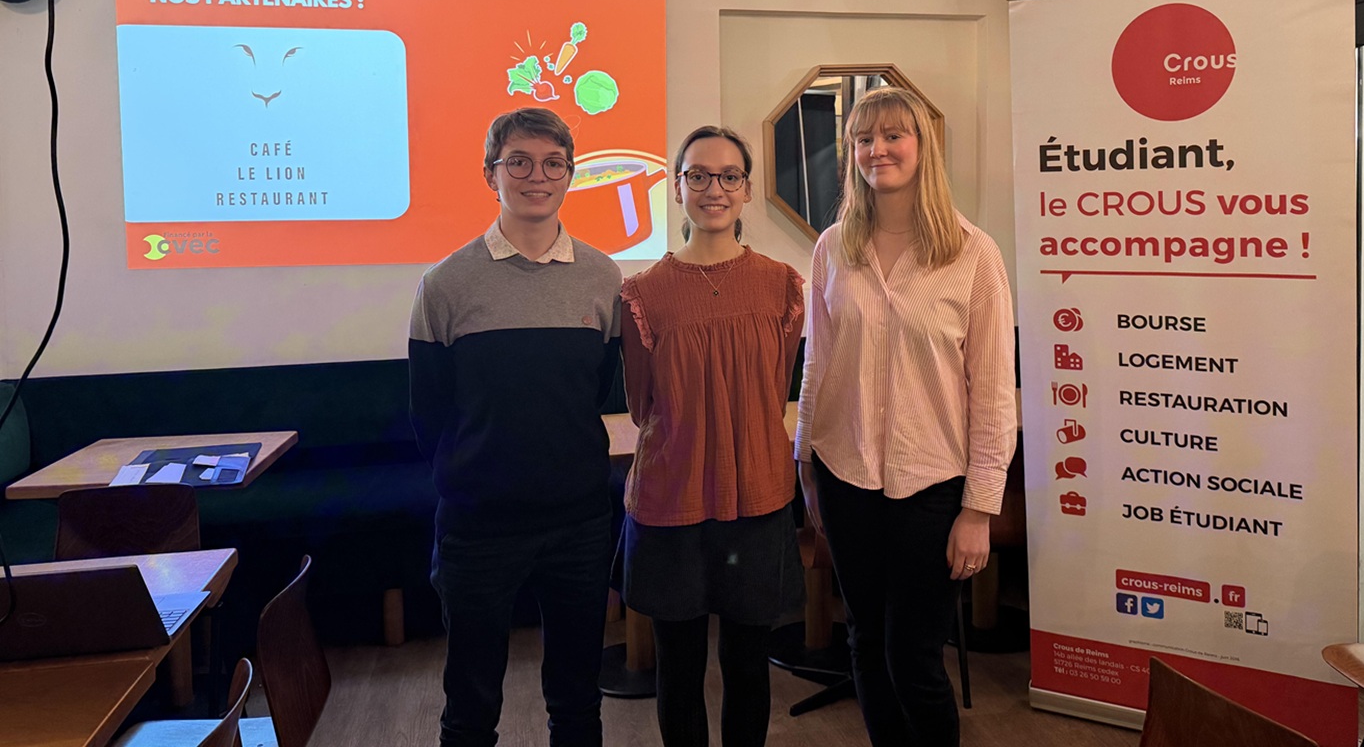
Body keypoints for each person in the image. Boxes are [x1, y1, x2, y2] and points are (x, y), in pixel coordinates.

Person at [794, 87, 1017, 747]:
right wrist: (805, 461)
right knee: (864, 640)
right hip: (845, 475)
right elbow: (818, 364)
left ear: (923, 147)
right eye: (864, 139)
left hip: (933, 487)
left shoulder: (973, 254)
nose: (878, 150)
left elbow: (993, 393)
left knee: (915, 659)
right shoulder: (833, 247)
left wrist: (979, 510)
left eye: (893, 135)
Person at [409, 107, 622, 747]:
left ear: (570, 175)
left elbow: (596, 392)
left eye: (554, 164)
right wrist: (470, 478)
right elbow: (429, 412)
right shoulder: (445, 283)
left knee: (578, 702)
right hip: (479, 526)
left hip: (579, 521)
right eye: (520, 162)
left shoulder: (603, 277)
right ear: (490, 174)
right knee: (470, 706)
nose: (538, 177)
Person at [619, 126, 805, 747]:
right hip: (672, 500)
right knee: (678, 667)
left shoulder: (783, 284)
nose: (713, 189)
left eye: (729, 176)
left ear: (746, 189)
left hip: (758, 496)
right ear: (677, 188)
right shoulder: (642, 293)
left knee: (749, 665)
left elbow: (775, 385)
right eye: (697, 175)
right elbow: (642, 404)